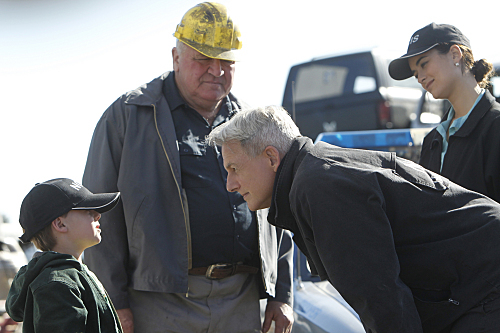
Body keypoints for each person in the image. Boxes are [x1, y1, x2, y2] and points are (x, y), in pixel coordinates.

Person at [82, 3, 294, 333]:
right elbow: (97, 215)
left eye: (226, 60)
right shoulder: (126, 117)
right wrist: (113, 302)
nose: (216, 70)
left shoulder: (254, 123)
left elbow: (280, 209)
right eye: (203, 59)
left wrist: (283, 295)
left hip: (241, 299)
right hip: (159, 303)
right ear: (176, 57)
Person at [207, 105, 500, 333]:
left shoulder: (320, 187)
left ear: (271, 157)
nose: (230, 184)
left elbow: (381, 297)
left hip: (485, 284)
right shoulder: (316, 171)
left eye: (234, 168)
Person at [389, 23, 500, 202]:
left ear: (455, 54)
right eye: (416, 74)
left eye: (424, 64)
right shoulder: (433, 140)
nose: (420, 78)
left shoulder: (495, 127)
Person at [6, 178, 122, 332]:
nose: (97, 215)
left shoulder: (71, 275)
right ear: (60, 224)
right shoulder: (57, 284)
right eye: (88, 210)